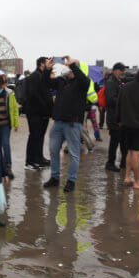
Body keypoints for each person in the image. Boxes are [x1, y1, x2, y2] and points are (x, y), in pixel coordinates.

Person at [42, 56, 90, 193]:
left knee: (74, 154)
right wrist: (47, 68)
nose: (67, 67)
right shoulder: (62, 81)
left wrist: (73, 64)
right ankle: (55, 178)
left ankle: (71, 181)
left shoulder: (82, 82)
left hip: (73, 123)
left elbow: (83, 80)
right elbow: (46, 83)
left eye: (71, 66)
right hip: (58, 122)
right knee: (53, 150)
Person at [23, 57, 53, 170]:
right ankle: (30, 161)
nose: (49, 64)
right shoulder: (35, 76)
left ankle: (39, 158)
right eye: (47, 62)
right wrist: (46, 105)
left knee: (40, 136)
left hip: (42, 112)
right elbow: (34, 94)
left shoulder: (43, 75)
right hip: (35, 112)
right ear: (41, 64)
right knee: (34, 136)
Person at [104, 62, 128, 172]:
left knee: (124, 142)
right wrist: (125, 101)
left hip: (122, 118)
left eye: (124, 70)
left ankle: (124, 163)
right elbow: (110, 99)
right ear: (115, 70)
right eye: (121, 70)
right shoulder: (110, 82)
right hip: (114, 118)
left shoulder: (119, 82)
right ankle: (110, 163)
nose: (124, 72)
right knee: (114, 142)